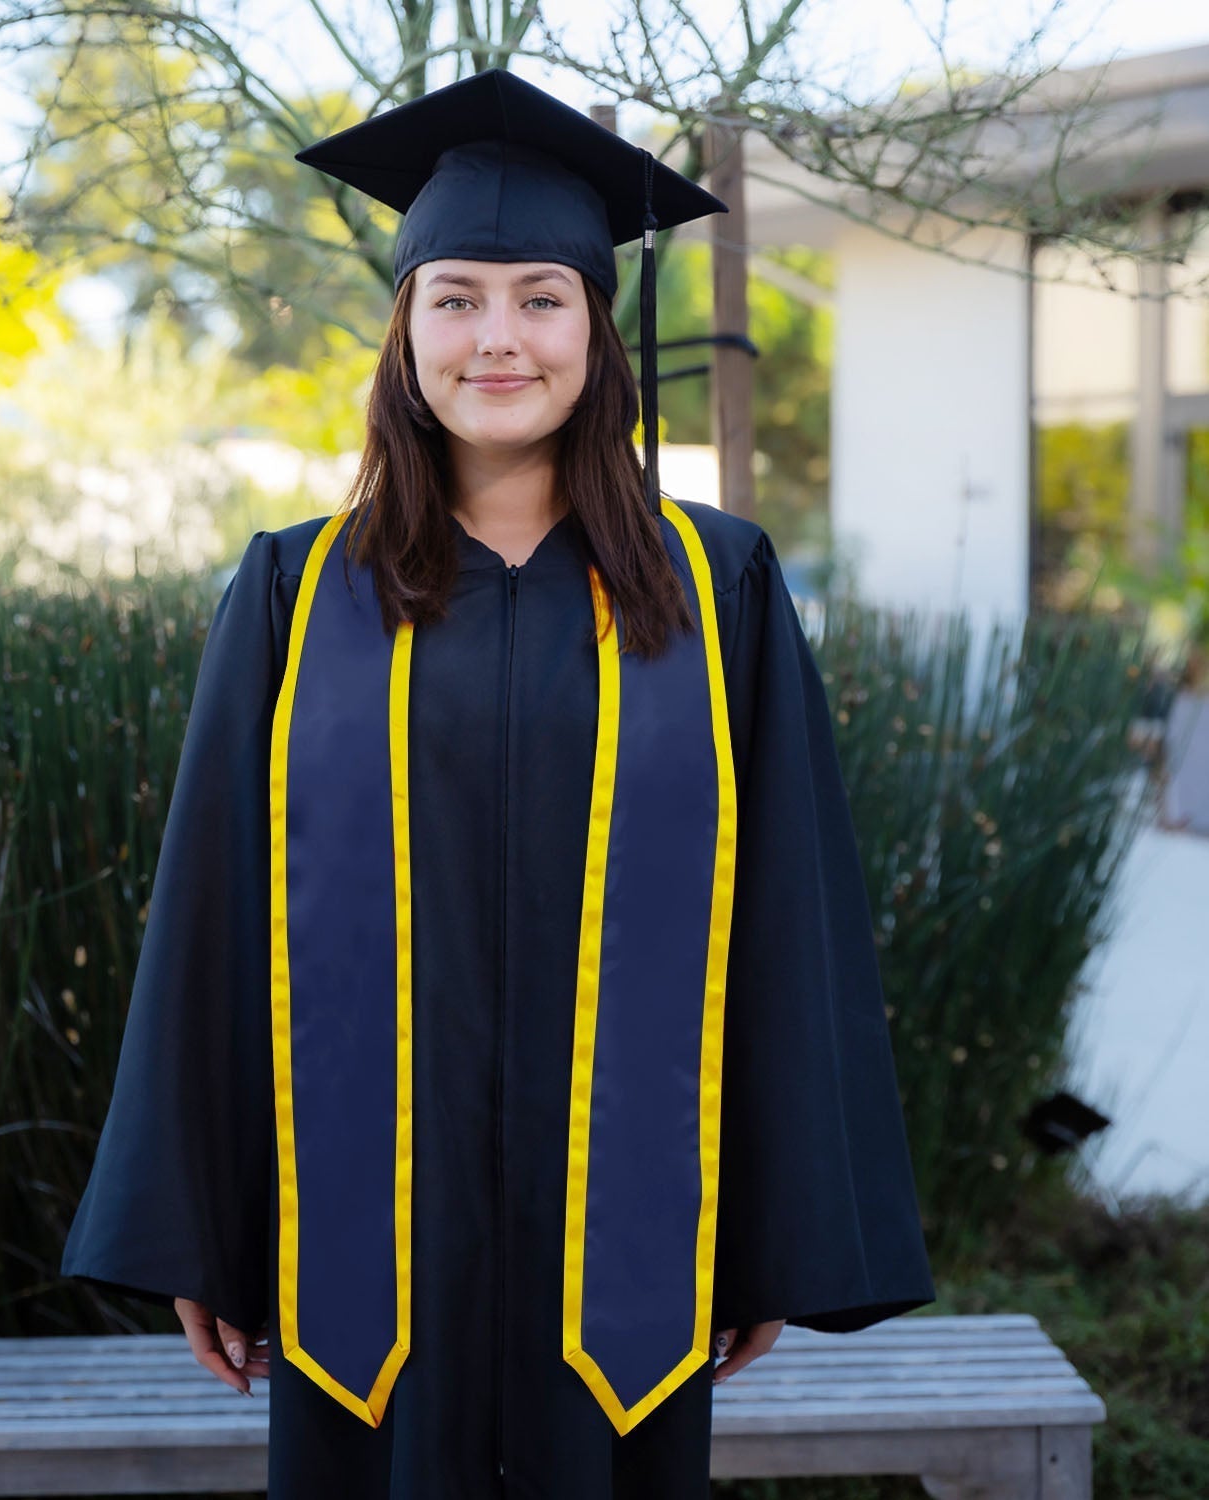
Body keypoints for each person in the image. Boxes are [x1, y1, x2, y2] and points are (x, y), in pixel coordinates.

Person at [60, 68, 934, 1500]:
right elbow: (211, 919)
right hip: (360, 1273)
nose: (498, 338)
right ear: (403, 331)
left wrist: (769, 1225)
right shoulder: (295, 592)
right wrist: (204, 1228)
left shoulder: (720, 590)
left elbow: (789, 918)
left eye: (543, 297)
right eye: (455, 297)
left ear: (599, 326)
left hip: (633, 1259)